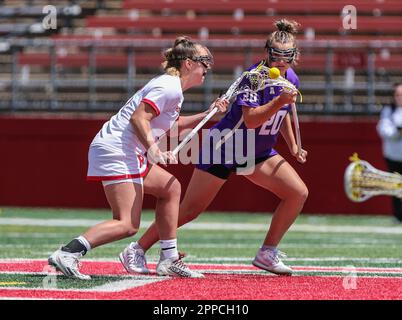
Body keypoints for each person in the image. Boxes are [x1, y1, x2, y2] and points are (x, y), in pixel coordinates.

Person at [121, 19, 309, 276]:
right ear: (267, 52)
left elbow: (286, 113)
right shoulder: (254, 78)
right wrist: (278, 101)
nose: (279, 61)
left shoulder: (292, 78)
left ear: (294, 56)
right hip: (226, 145)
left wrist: (294, 145)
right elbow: (252, 120)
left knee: (297, 193)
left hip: (256, 153)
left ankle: (267, 252)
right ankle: (137, 249)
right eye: (275, 54)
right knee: (189, 210)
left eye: (285, 56)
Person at [48, 36, 228, 279]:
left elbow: (173, 125)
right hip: (119, 150)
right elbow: (138, 118)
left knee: (170, 188)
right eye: (204, 61)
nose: (207, 67)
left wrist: (208, 113)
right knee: (127, 224)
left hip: (125, 150)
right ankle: (68, 253)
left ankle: (169, 258)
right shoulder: (169, 87)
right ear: (188, 63)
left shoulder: (173, 89)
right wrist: (153, 149)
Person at [377, 83, 402, 222]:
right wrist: (397, 132)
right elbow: (384, 129)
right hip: (393, 156)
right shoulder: (389, 110)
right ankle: (398, 215)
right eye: (397, 95)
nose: (399, 98)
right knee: (396, 186)